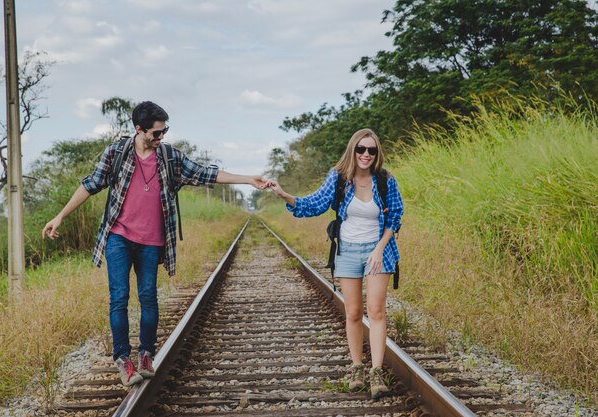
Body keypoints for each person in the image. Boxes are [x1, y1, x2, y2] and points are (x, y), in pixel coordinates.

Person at [42, 101, 270, 386]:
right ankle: (123, 359)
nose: (161, 138)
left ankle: (146, 353)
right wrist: (60, 216)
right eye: (156, 133)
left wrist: (248, 179)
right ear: (139, 130)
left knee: (148, 296)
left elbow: (205, 173)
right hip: (119, 237)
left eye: (164, 132)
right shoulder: (116, 153)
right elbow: (90, 184)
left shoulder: (169, 157)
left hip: (152, 241)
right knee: (119, 297)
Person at [269, 128, 403, 400]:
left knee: (376, 311)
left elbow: (395, 217)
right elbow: (313, 205)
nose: (366, 154)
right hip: (347, 252)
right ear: (353, 150)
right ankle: (357, 368)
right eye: (361, 149)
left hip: (378, 252)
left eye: (372, 150)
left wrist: (379, 249)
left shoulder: (386, 180)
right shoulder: (339, 179)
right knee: (353, 312)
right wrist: (285, 195)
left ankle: (376, 372)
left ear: (377, 154)